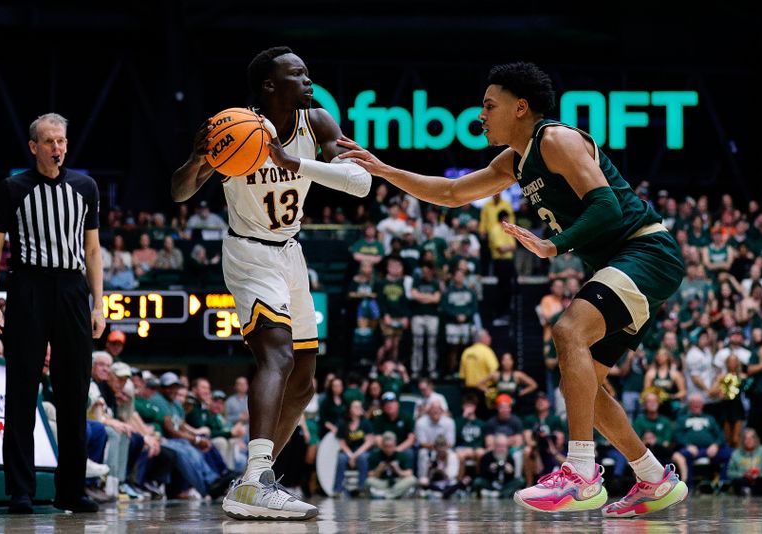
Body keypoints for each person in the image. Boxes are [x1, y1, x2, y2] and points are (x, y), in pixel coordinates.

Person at [338, 61, 688, 516]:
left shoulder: (556, 139)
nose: (480, 115)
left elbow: (608, 208)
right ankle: (653, 478)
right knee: (587, 388)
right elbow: (450, 193)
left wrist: (553, 246)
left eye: (489, 105)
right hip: (625, 265)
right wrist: (384, 170)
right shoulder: (514, 160)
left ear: (520, 107)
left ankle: (581, 474)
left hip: (647, 252)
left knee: (567, 332)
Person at [171, 46, 371, 521]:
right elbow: (178, 191)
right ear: (269, 86)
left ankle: (248, 484)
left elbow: (359, 182)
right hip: (249, 251)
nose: (308, 79)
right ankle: (259, 478)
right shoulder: (234, 128)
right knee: (276, 353)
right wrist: (199, 158)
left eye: (306, 73)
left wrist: (292, 161)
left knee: (303, 383)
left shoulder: (318, 121)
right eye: (297, 74)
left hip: (291, 253)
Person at [0, 113, 105, 514]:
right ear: (34, 147)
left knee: (74, 392)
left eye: (62, 141)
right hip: (27, 286)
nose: (57, 148)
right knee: (22, 391)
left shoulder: (85, 187)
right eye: (49, 141)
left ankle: (72, 490)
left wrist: (99, 303)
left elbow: (91, 251)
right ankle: (21, 490)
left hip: (72, 290)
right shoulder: (11, 188)